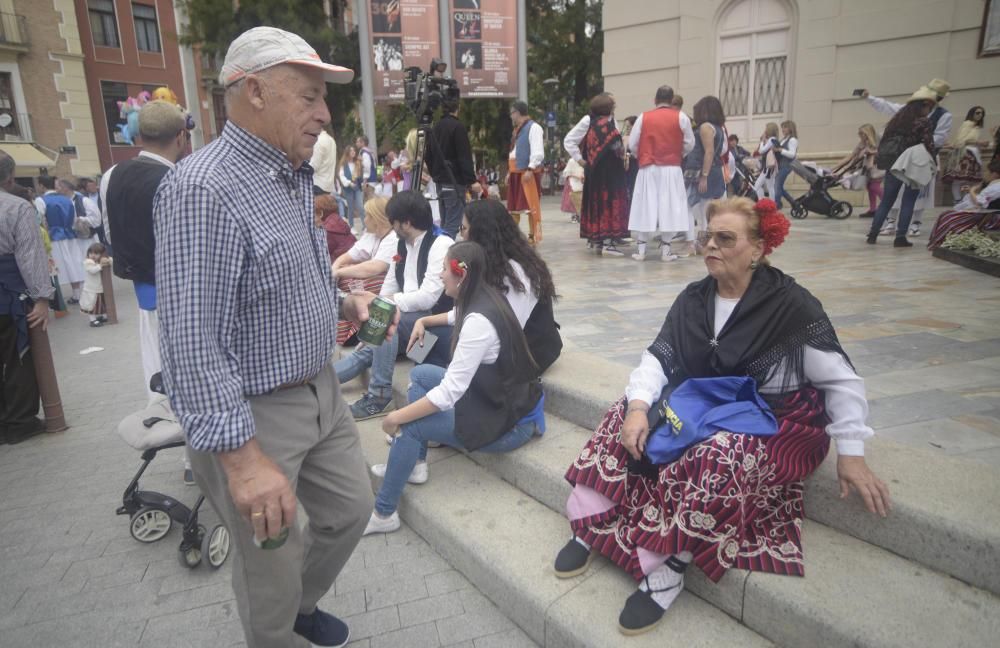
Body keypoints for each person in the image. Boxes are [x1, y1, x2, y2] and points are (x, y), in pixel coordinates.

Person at [153, 27, 394, 648]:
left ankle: (299, 609)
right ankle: (277, 629)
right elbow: (191, 342)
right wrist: (242, 461)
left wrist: (346, 299)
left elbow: (282, 283)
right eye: (309, 96)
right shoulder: (203, 188)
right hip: (254, 416)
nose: (324, 113)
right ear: (254, 91)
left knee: (349, 513)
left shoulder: (289, 175)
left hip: (319, 392)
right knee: (270, 563)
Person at [553, 196, 890, 635]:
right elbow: (660, 356)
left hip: (775, 419)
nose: (710, 245)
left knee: (720, 452)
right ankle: (593, 525)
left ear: (758, 249)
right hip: (705, 405)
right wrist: (638, 408)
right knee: (626, 411)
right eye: (707, 236)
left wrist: (852, 451)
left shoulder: (792, 306)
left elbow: (841, 380)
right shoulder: (695, 298)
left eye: (725, 238)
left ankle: (670, 565)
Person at [364, 241, 547, 535]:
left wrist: (396, 417)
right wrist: (423, 319)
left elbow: (450, 392)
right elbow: (453, 317)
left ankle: (385, 513)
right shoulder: (484, 297)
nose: (439, 275)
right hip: (501, 401)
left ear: (460, 275)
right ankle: (415, 463)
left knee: (411, 426)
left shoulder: (478, 322)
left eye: (443, 269)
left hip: (509, 422)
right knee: (422, 373)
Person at [334, 190, 453, 420]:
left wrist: (385, 306)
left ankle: (380, 396)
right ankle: (317, 382)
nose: (391, 226)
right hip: (409, 328)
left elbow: (428, 297)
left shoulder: (441, 244)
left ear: (406, 223)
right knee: (366, 348)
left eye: (393, 221)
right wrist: (381, 308)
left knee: (383, 318)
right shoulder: (402, 244)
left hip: (435, 333)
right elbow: (388, 288)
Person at [460, 199, 561, 375]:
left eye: (464, 229)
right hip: (506, 342)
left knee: (437, 356)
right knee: (434, 338)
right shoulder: (496, 262)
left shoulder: (515, 271)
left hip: (528, 354)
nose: (461, 235)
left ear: (481, 233)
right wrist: (427, 320)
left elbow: (508, 326)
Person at [0, 151, 54, 445]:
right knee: (16, 356)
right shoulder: (16, 207)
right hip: (7, 293)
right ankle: (19, 421)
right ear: (9, 178)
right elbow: (29, 255)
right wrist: (42, 298)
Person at [863, 78, 953, 236]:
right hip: (915, 162)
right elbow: (932, 141)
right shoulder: (919, 119)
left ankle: (876, 232)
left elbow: (887, 130)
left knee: (891, 199)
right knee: (908, 200)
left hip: (899, 160)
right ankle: (898, 232)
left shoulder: (904, 115)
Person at [627, 85, 696, 262]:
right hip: (671, 167)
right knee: (670, 205)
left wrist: (640, 155)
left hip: (648, 166)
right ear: (672, 99)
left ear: (655, 100)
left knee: (645, 204)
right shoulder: (682, 117)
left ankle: (641, 251)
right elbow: (689, 143)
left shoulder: (644, 117)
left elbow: (633, 143)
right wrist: (679, 153)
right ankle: (666, 251)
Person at [331, 196, 397, 345]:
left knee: (350, 280)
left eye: (368, 216)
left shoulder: (393, 238)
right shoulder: (374, 234)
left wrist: (338, 272)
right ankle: (356, 334)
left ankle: (353, 333)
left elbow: (374, 268)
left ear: (377, 219)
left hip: (391, 304)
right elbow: (350, 256)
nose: (364, 219)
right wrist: (335, 269)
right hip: (391, 308)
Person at [579, 94, 630, 256]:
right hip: (610, 176)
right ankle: (609, 244)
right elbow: (618, 151)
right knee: (610, 205)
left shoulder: (592, 127)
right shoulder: (609, 128)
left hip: (594, 175)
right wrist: (625, 150)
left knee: (598, 206)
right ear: (608, 109)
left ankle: (599, 241)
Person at [425, 95, 480, 238]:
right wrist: (471, 180)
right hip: (454, 181)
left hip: (440, 182)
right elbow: (464, 156)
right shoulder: (458, 127)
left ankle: (441, 252)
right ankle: (444, 256)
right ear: (458, 108)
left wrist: (435, 174)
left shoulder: (435, 128)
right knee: (453, 224)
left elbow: (428, 155)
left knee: (445, 222)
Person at [683, 96, 728, 255]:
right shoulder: (719, 128)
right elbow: (720, 151)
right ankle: (703, 244)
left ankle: (691, 243)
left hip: (701, 171)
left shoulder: (705, 128)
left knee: (687, 206)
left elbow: (708, 152)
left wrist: (704, 176)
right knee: (705, 210)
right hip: (715, 170)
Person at [927, 157, 1000, 250]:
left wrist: (972, 190)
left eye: (987, 172)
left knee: (948, 217)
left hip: (990, 217)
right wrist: (972, 190)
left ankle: (941, 242)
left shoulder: (996, 187)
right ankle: (939, 242)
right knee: (946, 215)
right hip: (988, 212)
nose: (986, 174)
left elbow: (979, 202)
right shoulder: (995, 184)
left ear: (994, 174)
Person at [38, 175, 85, 304]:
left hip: (54, 236)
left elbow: (40, 220)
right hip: (70, 234)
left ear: (42, 185)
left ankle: (59, 301)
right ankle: (78, 292)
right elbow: (74, 219)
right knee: (73, 263)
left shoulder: (41, 200)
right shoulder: (67, 199)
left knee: (56, 267)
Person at [507, 101, 545, 244]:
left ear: (517, 112)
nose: (511, 116)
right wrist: (509, 172)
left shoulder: (534, 128)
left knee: (531, 206)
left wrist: (530, 169)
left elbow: (538, 151)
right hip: (515, 172)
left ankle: (532, 236)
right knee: (513, 208)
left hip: (527, 172)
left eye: (512, 113)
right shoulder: (517, 130)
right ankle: (511, 238)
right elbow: (514, 153)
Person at [832, 124, 883, 218]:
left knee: (874, 187)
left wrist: (871, 152)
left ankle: (887, 206)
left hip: (877, 168)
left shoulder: (877, 140)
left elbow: (884, 151)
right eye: (859, 134)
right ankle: (873, 209)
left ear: (868, 133)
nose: (860, 136)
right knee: (870, 187)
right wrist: (834, 168)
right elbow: (851, 156)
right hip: (867, 169)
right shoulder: (862, 143)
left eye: (862, 134)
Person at [942, 106, 988, 203]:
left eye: (981, 113)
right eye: (977, 113)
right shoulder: (968, 124)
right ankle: (958, 200)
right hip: (965, 153)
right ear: (972, 113)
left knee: (969, 179)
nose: (980, 115)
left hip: (973, 153)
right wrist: (979, 142)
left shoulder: (976, 127)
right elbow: (962, 139)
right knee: (959, 178)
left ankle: (964, 200)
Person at [80, 242, 111, 327]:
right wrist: (101, 266)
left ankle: (104, 316)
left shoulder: (99, 261)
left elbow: (111, 261)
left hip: (100, 288)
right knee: (92, 305)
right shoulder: (88, 262)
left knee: (102, 304)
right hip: (91, 289)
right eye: (91, 253)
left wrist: (107, 260)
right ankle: (92, 320)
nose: (93, 255)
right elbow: (92, 270)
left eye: (96, 253)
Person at [772, 120, 799, 209]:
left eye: (785, 127)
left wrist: (780, 150)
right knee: (779, 186)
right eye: (782, 127)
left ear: (790, 128)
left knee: (776, 185)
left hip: (787, 166)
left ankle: (777, 205)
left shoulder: (792, 140)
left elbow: (792, 154)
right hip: (781, 166)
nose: (783, 129)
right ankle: (794, 203)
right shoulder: (784, 139)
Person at [338, 145, 364, 233]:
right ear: (347, 153)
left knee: (360, 206)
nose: (353, 152)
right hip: (348, 188)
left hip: (357, 187)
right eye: (351, 151)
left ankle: (365, 226)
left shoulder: (357, 162)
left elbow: (361, 174)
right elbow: (341, 176)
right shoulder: (343, 164)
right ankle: (351, 227)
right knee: (351, 208)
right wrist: (349, 183)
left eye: (354, 151)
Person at [752, 123, 780, 200]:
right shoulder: (775, 140)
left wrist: (762, 142)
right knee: (769, 187)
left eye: (766, 128)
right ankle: (769, 204)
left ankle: (763, 203)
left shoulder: (771, 140)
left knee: (758, 185)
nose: (765, 130)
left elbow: (761, 151)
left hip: (768, 168)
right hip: (771, 167)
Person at [309, 126, 339, 194]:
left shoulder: (318, 141)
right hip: (329, 186)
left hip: (318, 184)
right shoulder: (331, 140)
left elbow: (314, 166)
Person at [561, 157, 584, 222]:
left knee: (580, 199)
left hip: (581, 182)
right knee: (572, 199)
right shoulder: (571, 160)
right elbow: (566, 173)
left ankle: (579, 215)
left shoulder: (585, 159)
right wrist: (576, 176)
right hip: (573, 182)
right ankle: (574, 216)